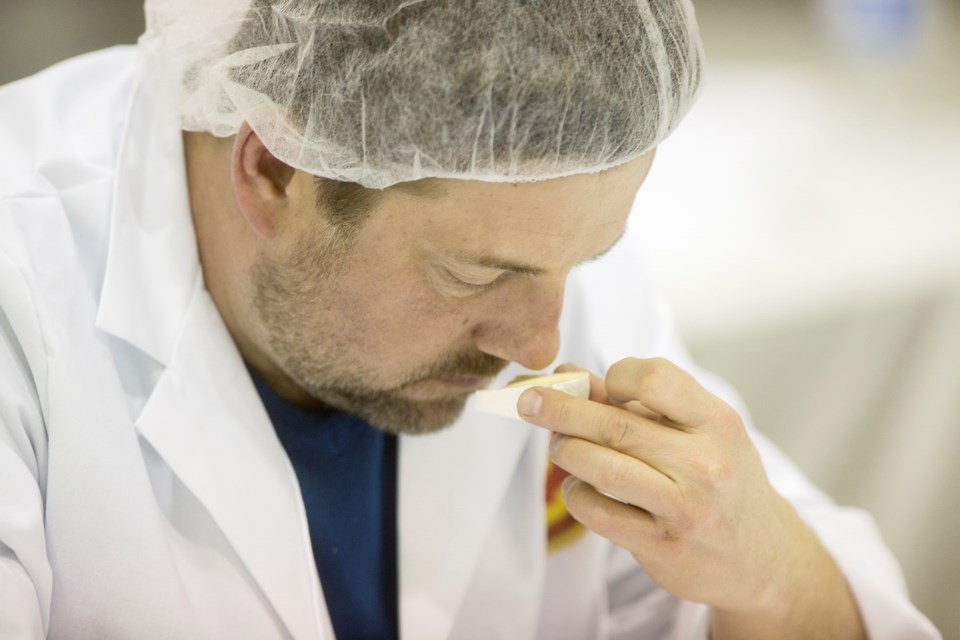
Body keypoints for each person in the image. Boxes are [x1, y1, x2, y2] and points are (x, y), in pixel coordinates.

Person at [0, 0, 939, 638]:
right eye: (470, 275)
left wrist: (764, 565)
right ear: (274, 169)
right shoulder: (23, 295)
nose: (540, 344)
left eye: (586, 258)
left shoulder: (537, 254)